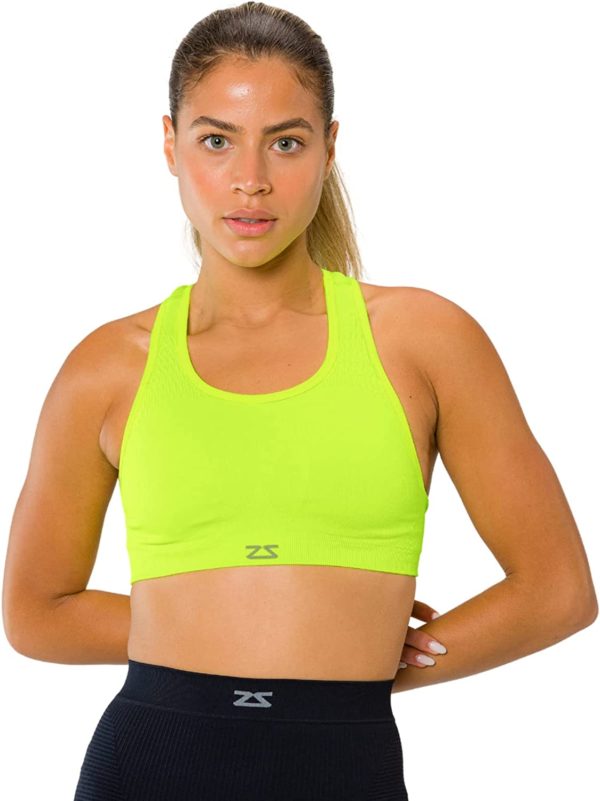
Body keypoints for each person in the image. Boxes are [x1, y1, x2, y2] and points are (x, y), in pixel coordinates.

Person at [3, 3, 597, 799]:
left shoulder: (424, 340)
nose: (250, 178)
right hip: (149, 762)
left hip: (346, 763)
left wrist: (368, 648)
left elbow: (558, 590)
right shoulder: (108, 366)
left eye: (285, 141)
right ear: (171, 145)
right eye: (216, 140)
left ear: (329, 146)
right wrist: (218, 627)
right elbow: (35, 611)